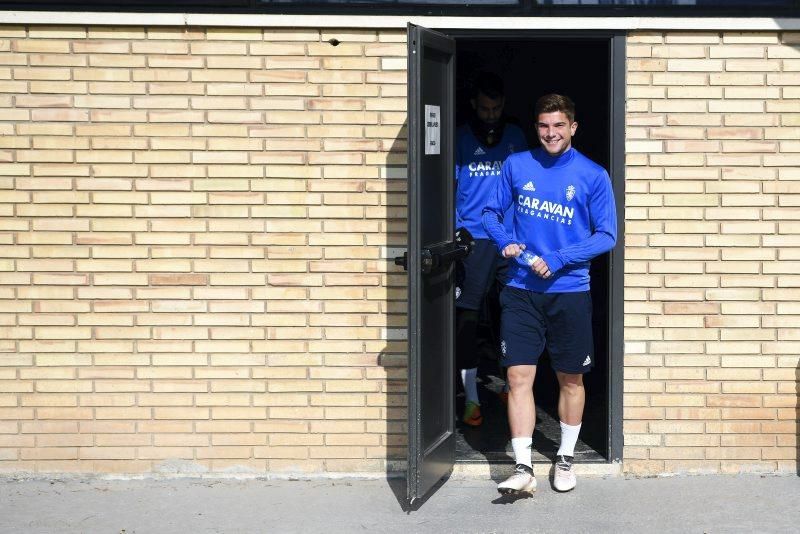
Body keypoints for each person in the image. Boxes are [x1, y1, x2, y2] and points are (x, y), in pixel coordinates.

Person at [482, 94, 617, 493]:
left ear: (572, 127)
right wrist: (506, 241)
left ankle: (565, 458)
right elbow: (490, 213)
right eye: (544, 126)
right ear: (536, 127)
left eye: (559, 126)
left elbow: (607, 235)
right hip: (521, 289)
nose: (551, 133)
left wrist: (558, 258)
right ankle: (523, 468)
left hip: (569, 291)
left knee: (570, 379)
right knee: (517, 376)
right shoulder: (516, 164)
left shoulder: (593, 175)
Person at [455, 72, 527, 427]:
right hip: (474, 237)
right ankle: (470, 398)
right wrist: (456, 230)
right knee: (468, 315)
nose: (490, 114)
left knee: (511, 313)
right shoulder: (460, 138)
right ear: (474, 105)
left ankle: (506, 384)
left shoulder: (515, 136)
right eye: (484, 108)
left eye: (496, 108)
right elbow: (446, 185)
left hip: (509, 239)